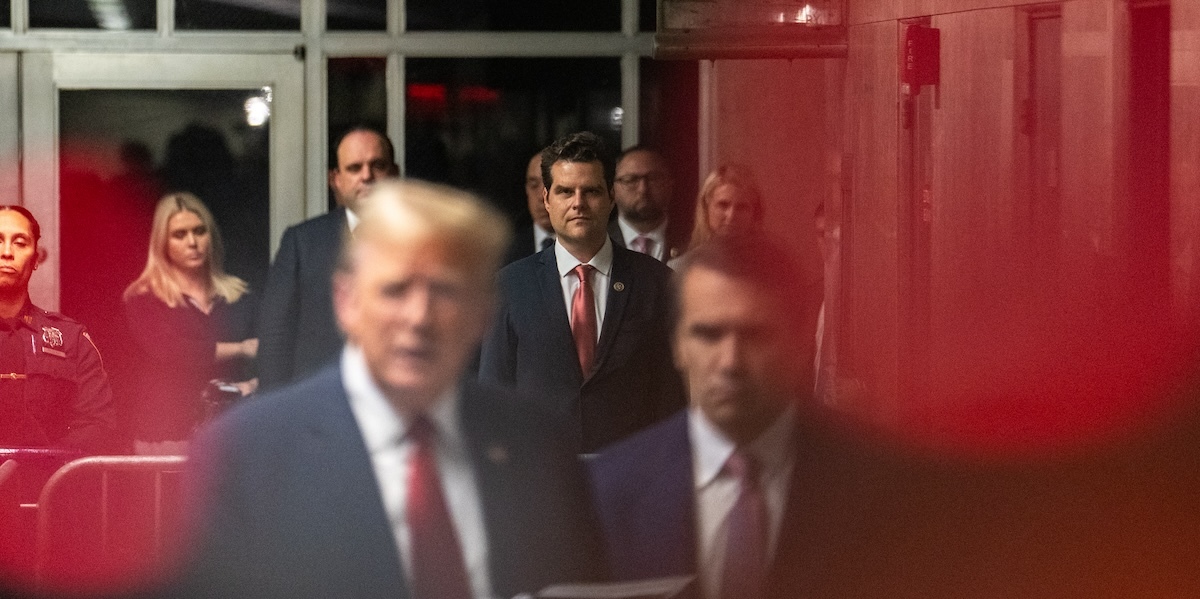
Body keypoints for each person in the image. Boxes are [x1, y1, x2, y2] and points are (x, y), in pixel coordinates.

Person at [171, 180, 605, 599]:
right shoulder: (246, 455)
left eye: (445, 291)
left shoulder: (540, 445)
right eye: (395, 289)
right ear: (347, 301)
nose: (419, 316)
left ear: (483, 311)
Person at [589, 235, 874, 599]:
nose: (730, 362)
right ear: (678, 344)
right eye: (708, 334)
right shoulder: (608, 490)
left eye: (755, 335)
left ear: (803, 341)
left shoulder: (872, 487)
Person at [479, 132, 684, 453]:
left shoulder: (656, 282)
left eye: (590, 191)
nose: (578, 203)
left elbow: (671, 394)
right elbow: (493, 397)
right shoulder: (509, 285)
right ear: (546, 199)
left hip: (634, 473)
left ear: (611, 196)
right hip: (542, 477)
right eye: (564, 192)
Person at [255, 126, 399, 391]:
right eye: (354, 168)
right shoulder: (302, 243)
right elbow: (275, 338)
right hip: (317, 404)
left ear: (394, 173)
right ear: (336, 180)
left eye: (377, 165)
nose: (367, 176)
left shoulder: (422, 243)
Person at [122, 193, 258, 455]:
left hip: (233, 432)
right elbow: (172, 351)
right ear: (163, 243)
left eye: (199, 231)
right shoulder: (143, 297)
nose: (192, 242)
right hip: (168, 435)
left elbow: (266, 352)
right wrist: (241, 348)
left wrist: (251, 385)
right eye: (179, 235)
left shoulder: (239, 295)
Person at [0, 205, 115, 452]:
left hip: (45, 486)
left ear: (36, 259)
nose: (7, 252)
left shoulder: (71, 339)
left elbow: (97, 425)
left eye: (20, 243)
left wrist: (41, 467)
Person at [608, 146, 687, 262]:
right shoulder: (596, 243)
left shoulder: (693, 242)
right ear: (612, 189)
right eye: (631, 180)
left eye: (653, 178)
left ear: (670, 184)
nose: (643, 189)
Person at [677, 164, 765, 263]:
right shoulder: (681, 268)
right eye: (723, 205)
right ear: (706, 207)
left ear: (754, 212)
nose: (731, 216)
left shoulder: (773, 266)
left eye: (741, 207)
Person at [505, 151, 556, 264]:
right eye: (534, 185)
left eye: (549, 185)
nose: (541, 197)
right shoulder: (505, 252)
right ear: (526, 189)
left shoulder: (588, 247)